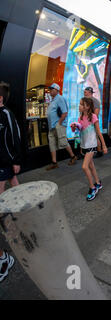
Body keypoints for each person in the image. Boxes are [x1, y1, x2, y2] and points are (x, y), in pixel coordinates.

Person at [71, 97, 108, 201]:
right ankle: (97, 183)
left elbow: (99, 132)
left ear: (87, 107)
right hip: (84, 145)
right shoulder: (80, 117)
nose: (79, 106)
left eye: (82, 104)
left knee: (84, 166)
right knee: (91, 166)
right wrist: (74, 127)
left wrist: (104, 146)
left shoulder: (93, 117)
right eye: (80, 104)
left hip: (92, 145)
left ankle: (92, 188)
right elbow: (79, 131)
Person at [0, 81, 19, 282]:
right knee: (15, 186)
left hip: (6, 162)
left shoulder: (6, 114)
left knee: (8, 192)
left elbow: (15, 137)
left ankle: (4, 260)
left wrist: (16, 160)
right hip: (3, 162)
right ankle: (24, 215)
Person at [46, 83, 77, 170]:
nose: (50, 91)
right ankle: (54, 162)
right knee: (52, 143)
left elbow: (65, 112)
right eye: (50, 89)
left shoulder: (59, 98)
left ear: (56, 90)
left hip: (58, 125)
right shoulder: (53, 100)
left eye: (52, 89)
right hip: (52, 126)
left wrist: (58, 123)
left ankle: (73, 156)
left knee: (63, 142)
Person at [84, 87, 104, 158]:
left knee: (96, 136)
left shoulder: (95, 101)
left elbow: (96, 114)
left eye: (85, 92)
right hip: (87, 122)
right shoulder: (85, 101)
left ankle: (99, 151)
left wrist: (92, 122)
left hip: (92, 122)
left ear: (90, 92)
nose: (84, 93)